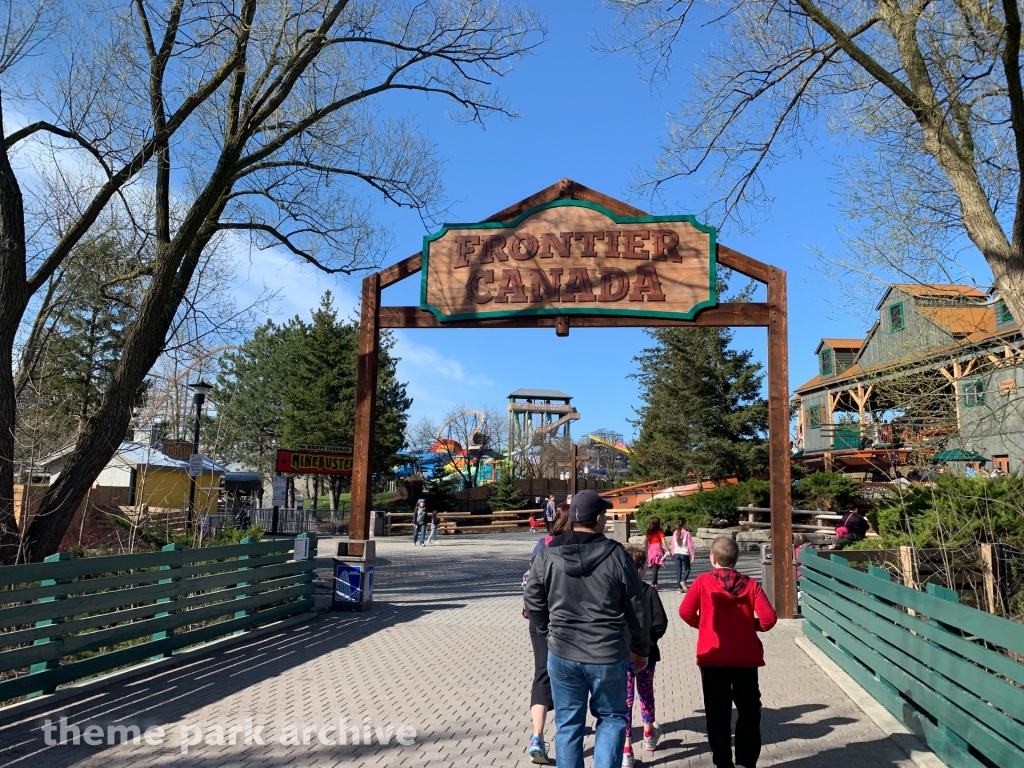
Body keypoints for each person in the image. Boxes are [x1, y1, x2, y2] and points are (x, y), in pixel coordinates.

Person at [524, 490, 651, 768]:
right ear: (597, 518)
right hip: (606, 652)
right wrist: (641, 649)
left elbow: (532, 596)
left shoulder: (548, 553)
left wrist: (547, 629)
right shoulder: (616, 554)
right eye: (603, 515)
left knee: (569, 723)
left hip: (563, 652)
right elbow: (637, 604)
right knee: (612, 718)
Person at [680, 536, 778, 768]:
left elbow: (685, 612)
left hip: (712, 657)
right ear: (736, 558)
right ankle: (746, 761)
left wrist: (701, 624)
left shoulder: (703, 582)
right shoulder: (750, 584)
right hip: (745, 659)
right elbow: (769, 619)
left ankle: (723, 763)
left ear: (712, 558)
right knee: (749, 712)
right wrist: (751, 625)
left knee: (717, 714)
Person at [525, 508, 571, 764]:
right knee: (569, 673)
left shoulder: (542, 545)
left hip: (539, 618)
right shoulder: (575, 548)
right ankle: (567, 727)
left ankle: (536, 736)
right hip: (567, 621)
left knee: (542, 672)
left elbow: (529, 583)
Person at [622, 545, 668, 767]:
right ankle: (649, 733)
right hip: (647, 655)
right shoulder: (649, 591)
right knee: (646, 693)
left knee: (625, 699)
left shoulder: (616, 592)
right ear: (640, 569)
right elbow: (660, 622)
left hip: (622, 656)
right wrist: (650, 641)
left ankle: (627, 747)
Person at [671, 518, 696, 593]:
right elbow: (690, 545)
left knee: (678, 571)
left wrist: (672, 553)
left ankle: (679, 588)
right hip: (684, 553)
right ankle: (683, 580)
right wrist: (692, 555)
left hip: (676, 553)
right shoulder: (687, 533)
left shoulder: (675, 532)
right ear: (684, 524)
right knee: (688, 568)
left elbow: (672, 544)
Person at [645, 517, 668, 589]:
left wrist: (646, 550)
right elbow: (663, 541)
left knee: (655, 567)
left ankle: (655, 583)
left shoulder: (648, 531)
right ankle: (653, 584)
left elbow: (646, 541)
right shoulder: (659, 531)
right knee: (656, 568)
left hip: (651, 549)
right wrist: (667, 550)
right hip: (657, 549)